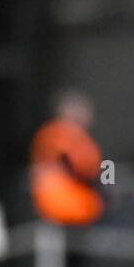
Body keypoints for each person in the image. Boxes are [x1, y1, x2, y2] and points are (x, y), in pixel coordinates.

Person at [29, 91, 103, 227]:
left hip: (75, 204)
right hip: (64, 204)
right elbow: (85, 166)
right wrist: (106, 179)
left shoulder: (78, 136)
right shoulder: (60, 134)